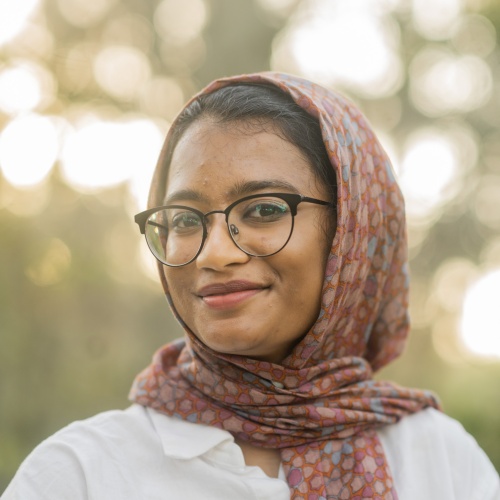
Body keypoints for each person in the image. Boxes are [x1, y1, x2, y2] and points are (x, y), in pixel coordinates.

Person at [3, 72, 499, 500]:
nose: (216, 252)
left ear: (350, 232)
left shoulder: (438, 460)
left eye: (263, 209)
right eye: (183, 219)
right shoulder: (80, 475)